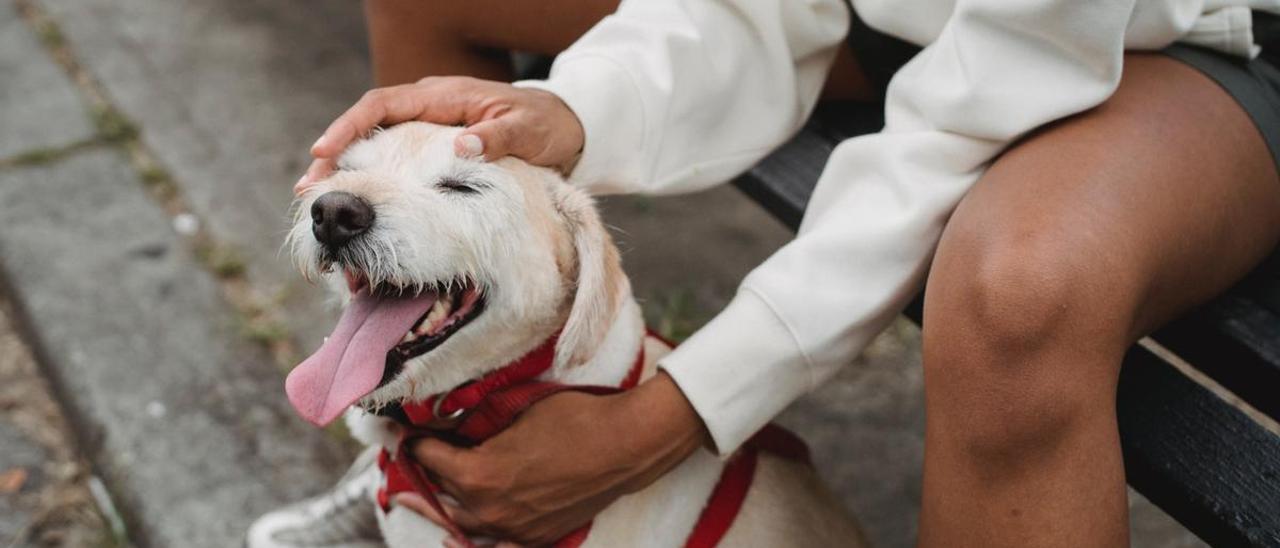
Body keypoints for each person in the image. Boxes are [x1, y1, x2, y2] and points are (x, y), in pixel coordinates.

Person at [252, 1, 1280, 546]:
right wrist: (575, 111)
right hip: (902, 18)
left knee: (1019, 286)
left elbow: (985, 101)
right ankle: (424, 441)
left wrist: (673, 413)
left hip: (1165, 35)